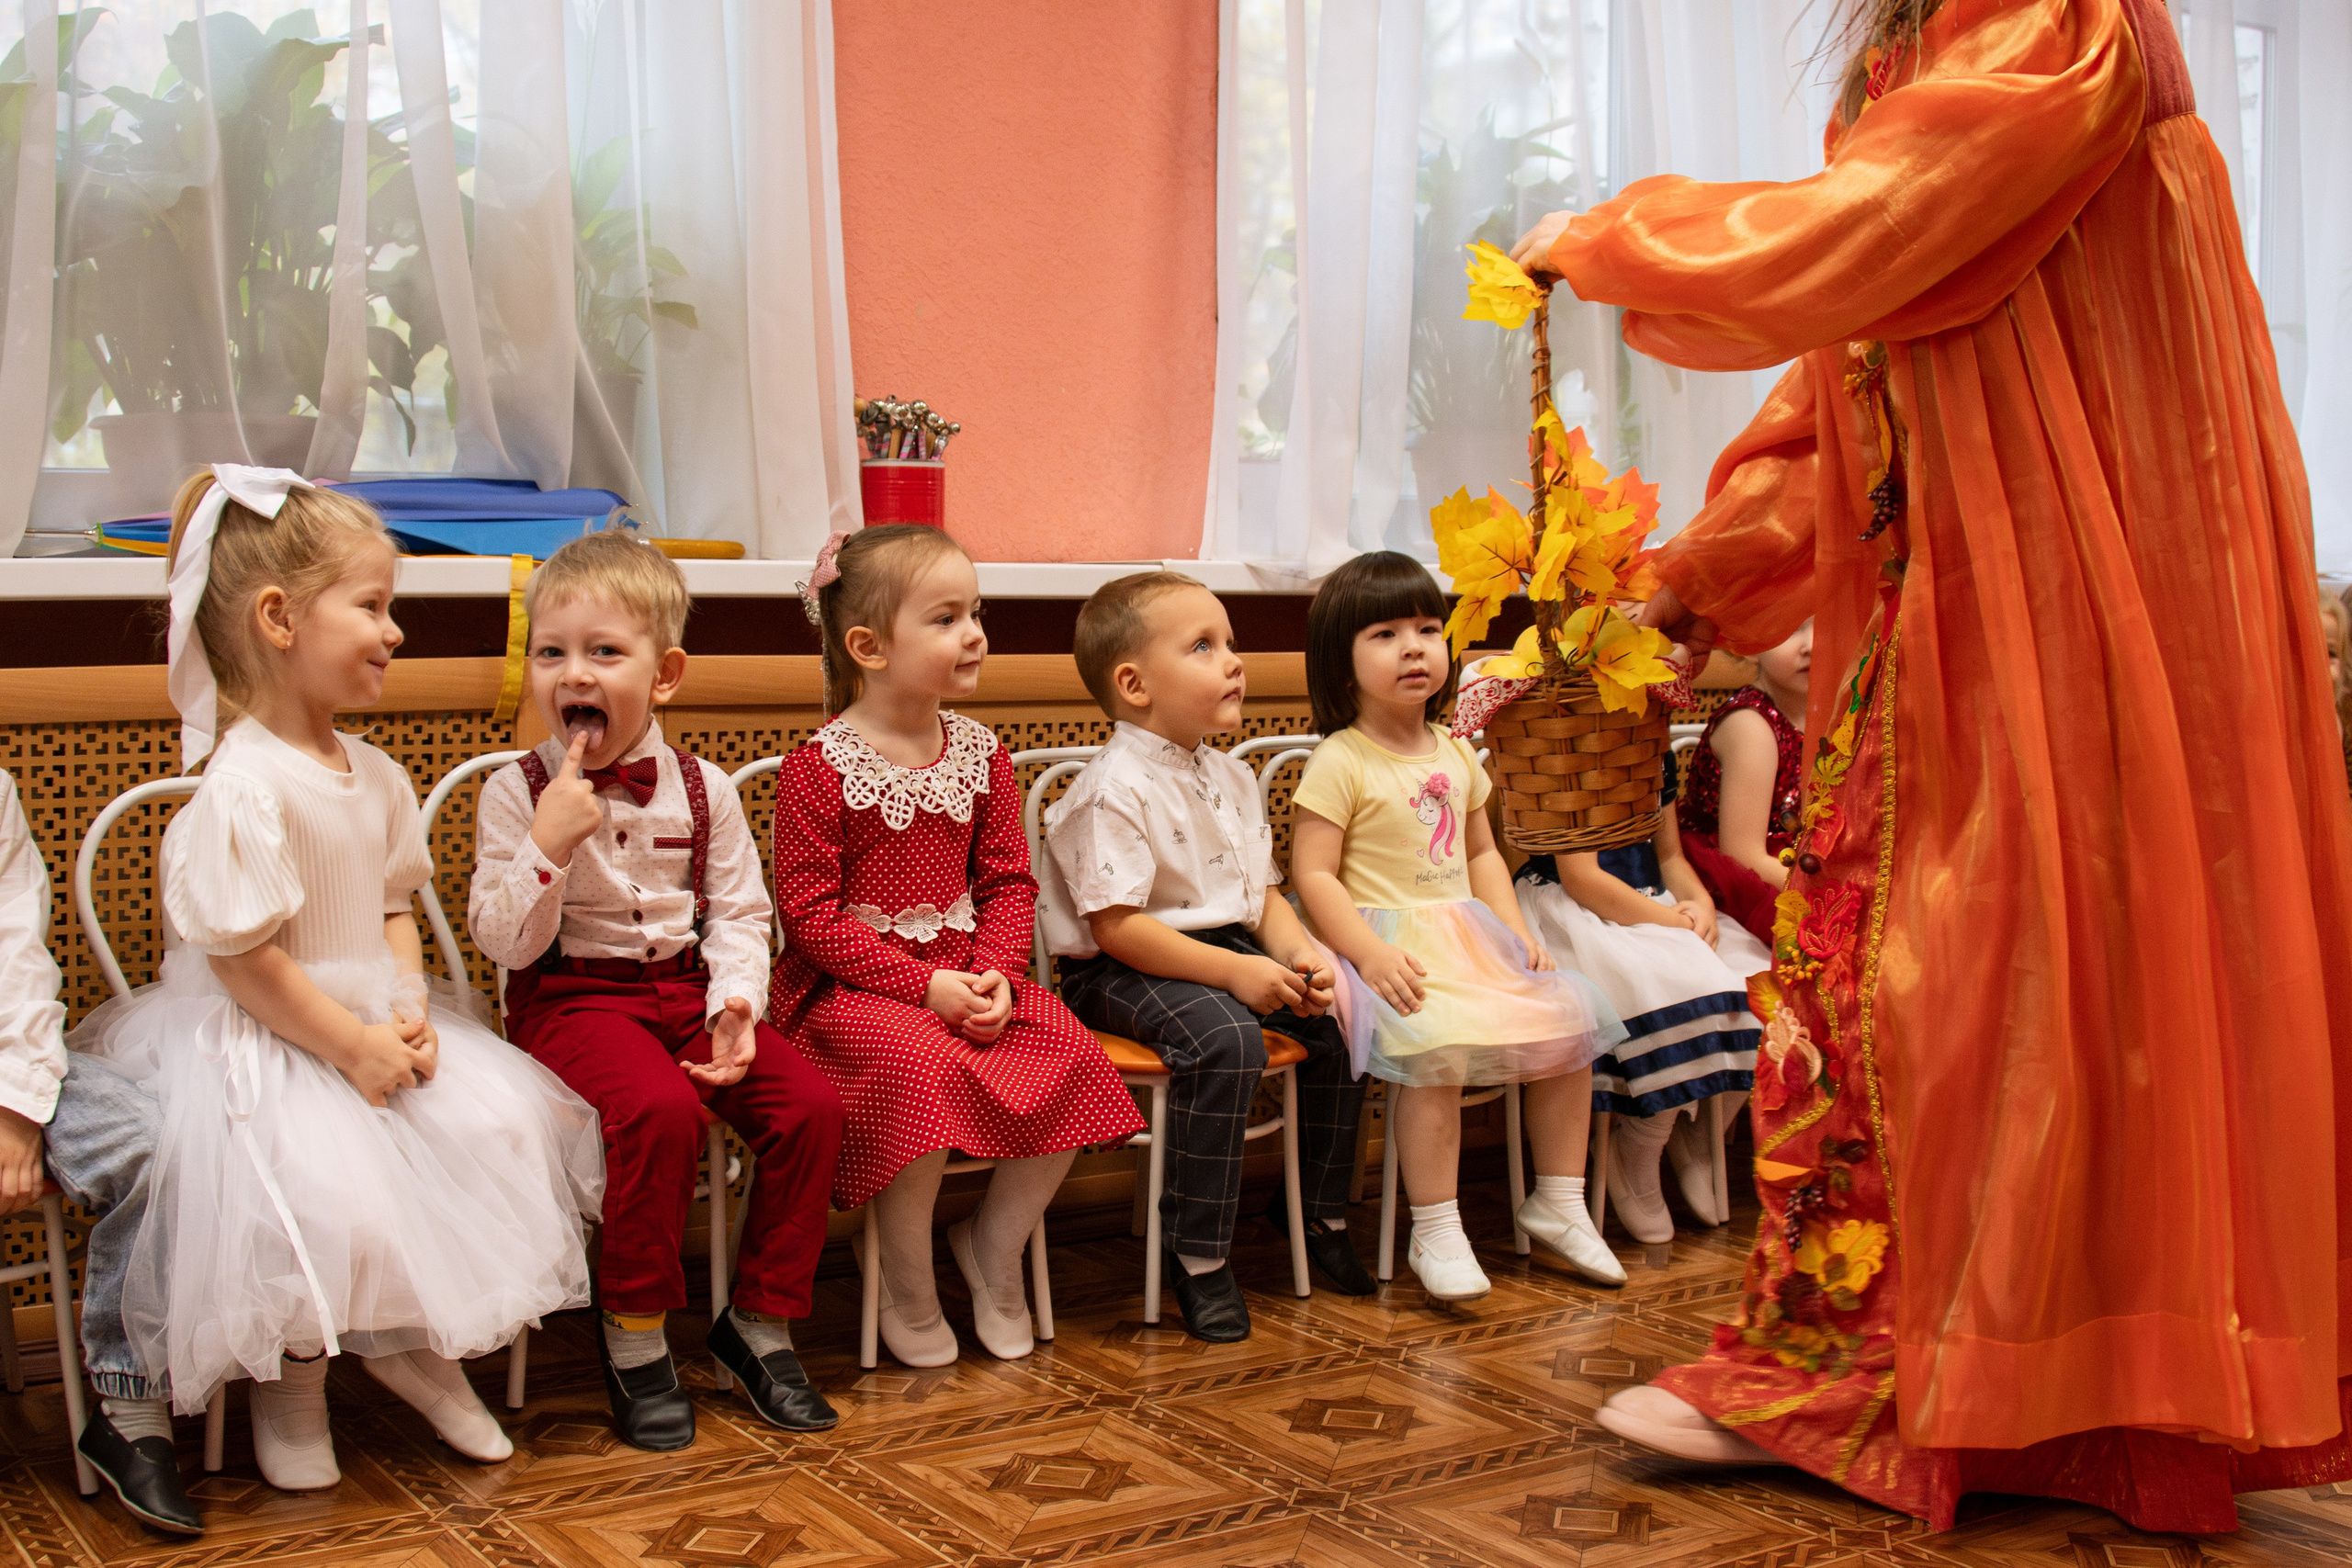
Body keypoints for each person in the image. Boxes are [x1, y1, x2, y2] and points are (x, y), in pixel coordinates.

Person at [1510, 0, 2352, 1531]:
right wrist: (1696, 579)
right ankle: (1952, 1373)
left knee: (1966, 975)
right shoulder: (1953, 42)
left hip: (2076, 603)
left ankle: (1941, 1377)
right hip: (1969, 597)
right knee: (1935, 979)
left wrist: (1625, 237)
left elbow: (1869, 238)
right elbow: (1858, 380)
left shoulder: (2061, 20)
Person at [69, 467, 603, 1494]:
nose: (393, 630)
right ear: (278, 618)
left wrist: (403, 1009)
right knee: (324, 1199)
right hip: (269, 1036)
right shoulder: (243, 786)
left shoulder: (381, 774)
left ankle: (420, 1350)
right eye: (370, 605)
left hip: (366, 1018)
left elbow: (396, 906)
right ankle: (293, 1390)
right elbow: (244, 959)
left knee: (492, 1132)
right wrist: (347, 1042)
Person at [469, 530, 845, 1451]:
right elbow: (504, 942)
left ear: (664, 673)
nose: (573, 673)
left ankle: (757, 1322)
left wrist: (735, 1008)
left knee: (811, 1106)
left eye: (604, 652)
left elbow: (742, 918)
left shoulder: (707, 789)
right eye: (552, 653)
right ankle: (635, 1333)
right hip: (571, 999)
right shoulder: (513, 792)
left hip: (685, 989)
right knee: (661, 1114)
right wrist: (550, 844)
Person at [768, 525, 1143, 1369]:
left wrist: (996, 973)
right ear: (867, 646)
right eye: (945, 618)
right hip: (850, 991)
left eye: (976, 612)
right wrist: (924, 985)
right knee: (915, 1072)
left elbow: (1011, 883)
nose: (974, 632)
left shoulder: (981, 753)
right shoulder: (818, 768)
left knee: (1070, 1054)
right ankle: (904, 1274)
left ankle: (993, 1246)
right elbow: (813, 921)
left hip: (968, 974)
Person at [1289, 551, 1626, 1303]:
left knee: (1569, 1022)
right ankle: (1435, 1224)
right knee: (1434, 1048)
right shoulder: (1339, 760)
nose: (1414, 646)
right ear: (1340, 663)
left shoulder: (1456, 751)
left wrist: (1513, 930)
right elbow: (1313, 876)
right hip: (1386, 947)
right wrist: (1369, 953)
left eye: (1428, 628)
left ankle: (1560, 1201)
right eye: (1385, 632)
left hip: (1467, 936)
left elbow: (1481, 851)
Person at [1044, 571, 1372, 1342]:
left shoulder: (1229, 773)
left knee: (1339, 1011)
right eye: (1203, 646)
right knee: (1225, 1038)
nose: (1232, 660)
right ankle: (1196, 1254)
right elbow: (1120, 927)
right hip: (1119, 965)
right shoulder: (1110, 787)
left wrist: (1298, 953)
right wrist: (1235, 972)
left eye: (1230, 642)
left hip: (1224, 948)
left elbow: (1260, 896)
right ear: (1134, 684)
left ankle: (1317, 1214)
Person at [0, 771, 198, 1535]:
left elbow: (16, 948)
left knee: (150, 1141)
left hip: (15, 1055)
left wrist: (16, 1106)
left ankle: (128, 1403)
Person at [1512, 746, 1766, 1243]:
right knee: (1681, 985)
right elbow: (1583, 878)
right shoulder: (1572, 749)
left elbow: (1668, 854)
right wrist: (1673, 924)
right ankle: (1640, 1145)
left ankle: (1693, 1134)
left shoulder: (1651, 748)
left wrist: (1700, 904)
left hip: (1653, 904)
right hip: (1581, 911)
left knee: (1761, 985)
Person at [1675, 623, 1809, 942]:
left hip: (1799, 862)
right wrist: (1828, 890)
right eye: (1793, 629)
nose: (1812, 645)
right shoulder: (1752, 725)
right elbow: (1743, 855)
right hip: (1745, 883)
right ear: (1750, 643)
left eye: (1829, 626)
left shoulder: (1834, 710)